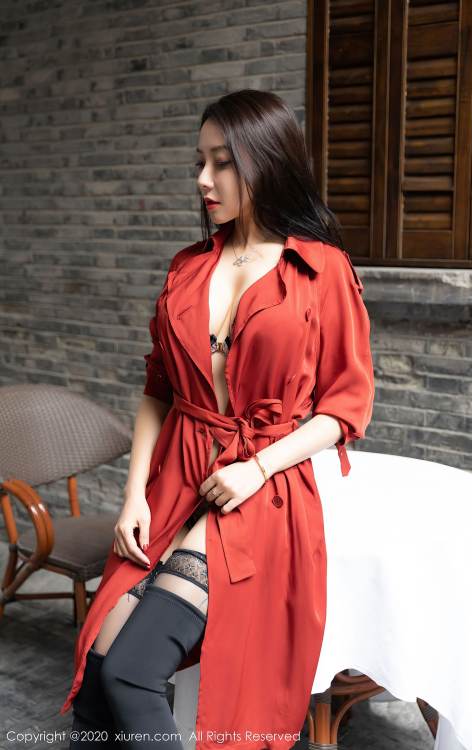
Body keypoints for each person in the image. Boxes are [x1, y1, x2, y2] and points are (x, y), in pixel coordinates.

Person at [61, 88, 375, 750]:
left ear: (266, 161)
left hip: (260, 489)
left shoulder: (321, 271)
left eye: (222, 162)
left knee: (131, 674)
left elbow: (344, 408)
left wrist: (257, 469)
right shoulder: (187, 267)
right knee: (95, 682)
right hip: (175, 479)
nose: (204, 179)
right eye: (199, 162)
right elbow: (159, 390)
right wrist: (132, 497)